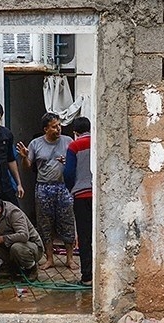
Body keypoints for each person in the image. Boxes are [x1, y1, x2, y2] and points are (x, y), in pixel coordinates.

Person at [16, 112, 76, 271]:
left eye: (59, 125)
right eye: (54, 127)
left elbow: (74, 164)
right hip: (43, 187)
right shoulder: (36, 144)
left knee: (67, 221)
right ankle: (49, 259)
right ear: (45, 129)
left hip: (63, 187)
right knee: (45, 224)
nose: (59, 129)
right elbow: (28, 167)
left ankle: (70, 259)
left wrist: (67, 162)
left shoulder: (68, 142)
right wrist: (24, 157)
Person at [63, 116, 93, 287]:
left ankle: (87, 276)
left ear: (75, 132)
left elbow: (68, 173)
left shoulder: (74, 146)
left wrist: (71, 187)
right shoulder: (97, 143)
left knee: (84, 235)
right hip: (97, 195)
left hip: (81, 197)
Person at [0, 196, 44, 282]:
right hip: (8, 247)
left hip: (31, 247)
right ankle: (7, 267)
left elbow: (23, 235)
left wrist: (2, 239)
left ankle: (31, 268)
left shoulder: (14, 213)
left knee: (17, 247)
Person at [0, 102, 24, 206]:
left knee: (15, 211)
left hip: (5, 182)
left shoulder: (6, 134)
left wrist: (18, 183)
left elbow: (11, 160)